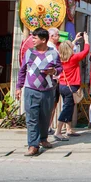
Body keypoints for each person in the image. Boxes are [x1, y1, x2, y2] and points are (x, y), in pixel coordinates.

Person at [16, 28, 63, 156]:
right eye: (32, 38)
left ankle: (43, 138)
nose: (33, 40)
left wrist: (53, 71)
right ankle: (33, 145)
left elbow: (60, 68)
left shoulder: (53, 53)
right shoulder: (29, 53)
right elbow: (22, 71)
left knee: (45, 116)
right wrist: (18, 87)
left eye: (35, 38)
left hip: (48, 90)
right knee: (32, 118)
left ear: (43, 40)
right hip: (31, 90)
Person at [55, 33, 90, 141]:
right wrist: (86, 40)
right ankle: (58, 131)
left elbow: (67, 47)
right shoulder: (73, 58)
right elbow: (86, 51)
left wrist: (74, 40)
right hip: (71, 86)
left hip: (62, 85)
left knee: (68, 107)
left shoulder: (59, 59)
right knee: (67, 108)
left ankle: (69, 129)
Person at [47, 27, 60, 134]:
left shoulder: (54, 47)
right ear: (52, 36)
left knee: (53, 103)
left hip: (54, 79)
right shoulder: (50, 48)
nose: (59, 37)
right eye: (57, 35)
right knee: (51, 104)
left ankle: (48, 125)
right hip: (53, 80)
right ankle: (47, 125)